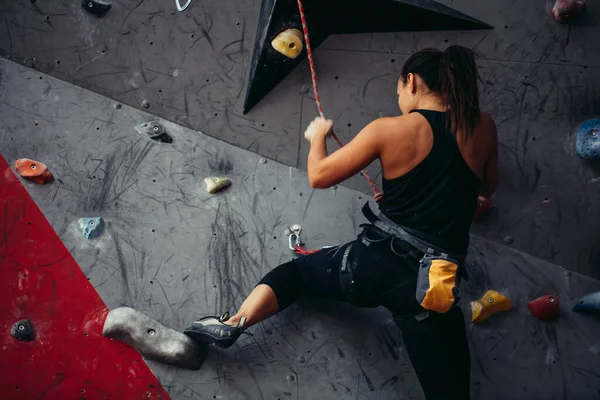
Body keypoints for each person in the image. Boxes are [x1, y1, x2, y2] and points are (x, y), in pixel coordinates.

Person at [184, 45, 499, 400]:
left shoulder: (390, 129)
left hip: (369, 265)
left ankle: (234, 322)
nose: (400, 99)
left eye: (399, 92)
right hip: (430, 289)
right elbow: (486, 189)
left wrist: (318, 135)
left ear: (411, 82)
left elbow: (319, 175)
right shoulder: (483, 126)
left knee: (299, 274)